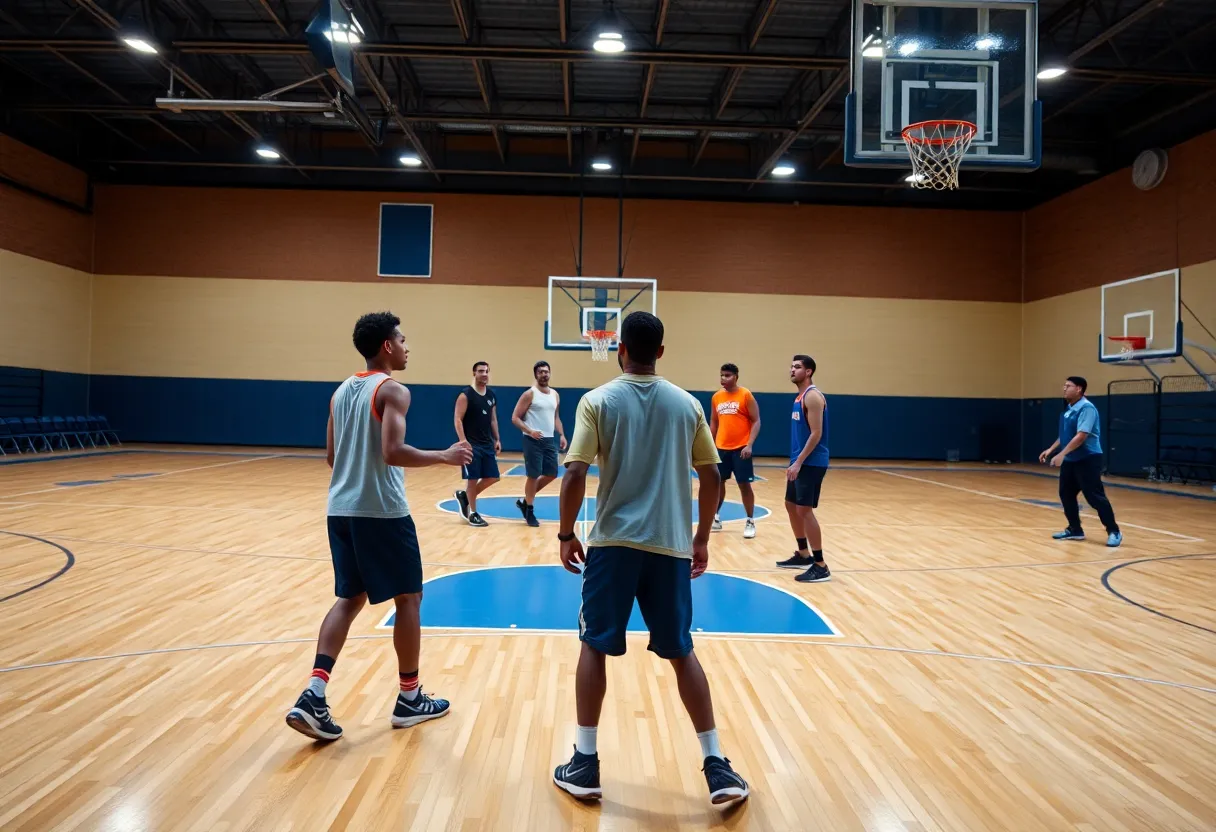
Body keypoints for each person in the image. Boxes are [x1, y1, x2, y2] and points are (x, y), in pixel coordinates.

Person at [552, 311, 749, 808]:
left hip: (613, 545)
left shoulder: (597, 401)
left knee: (594, 645)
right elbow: (712, 477)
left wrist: (565, 533)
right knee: (682, 652)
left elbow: (574, 472)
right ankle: (716, 764)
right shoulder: (688, 404)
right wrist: (700, 537)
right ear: (661, 351)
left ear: (619, 348)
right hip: (669, 547)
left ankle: (585, 762)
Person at [286, 311, 472, 742]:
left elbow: (332, 457)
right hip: (381, 511)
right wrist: (443, 456)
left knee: (349, 598)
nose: (407, 347)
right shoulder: (393, 390)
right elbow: (392, 451)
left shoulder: (340, 392)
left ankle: (314, 693)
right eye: (402, 340)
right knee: (409, 597)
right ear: (387, 346)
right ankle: (410, 698)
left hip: (340, 509)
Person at [1039, 376, 1122, 547]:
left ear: (1079, 389)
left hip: (1087, 458)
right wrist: (1051, 449)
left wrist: (1062, 454)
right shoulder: (1069, 409)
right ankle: (1075, 529)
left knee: (1094, 497)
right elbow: (1065, 435)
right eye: (1064, 385)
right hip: (1071, 459)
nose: (1064, 388)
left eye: (1068, 386)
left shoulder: (1087, 408)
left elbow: (1081, 436)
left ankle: (1114, 531)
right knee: (1066, 494)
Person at [776, 355, 832, 583]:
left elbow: (816, 433)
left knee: (804, 510)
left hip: (811, 462)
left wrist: (799, 462)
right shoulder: (799, 397)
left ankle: (820, 565)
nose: (792, 370)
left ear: (808, 372)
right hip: (799, 461)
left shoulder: (813, 397)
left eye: (797, 367)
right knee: (790, 505)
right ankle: (803, 554)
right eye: (791, 366)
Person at [511, 361, 567, 527]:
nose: (544, 374)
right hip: (532, 440)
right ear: (536, 374)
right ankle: (529, 509)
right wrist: (530, 431)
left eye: (546, 371)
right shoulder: (529, 394)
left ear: (550, 373)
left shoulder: (555, 395)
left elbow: (556, 417)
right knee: (533, 475)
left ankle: (525, 501)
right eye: (541, 372)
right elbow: (515, 418)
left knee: (552, 473)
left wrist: (562, 434)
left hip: (549, 440)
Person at [709, 362, 761, 538]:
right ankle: (716, 517)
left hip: (741, 448)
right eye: (722, 375)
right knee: (718, 483)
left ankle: (750, 521)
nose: (723, 378)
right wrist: (710, 443)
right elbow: (714, 421)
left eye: (727, 375)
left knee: (744, 485)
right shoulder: (716, 397)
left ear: (736, 377)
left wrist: (749, 444)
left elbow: (756, 420)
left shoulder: (745, 395)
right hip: (721, 448)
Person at [453, 361, 501, 528]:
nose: (484, 374)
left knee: (493, 477)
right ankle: (473, 513)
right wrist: (463, 441)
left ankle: (465, 497)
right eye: (481, 371)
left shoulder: (491, 395)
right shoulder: (466, 395)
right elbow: (457, 419)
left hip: (487, 443)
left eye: (486, 371)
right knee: (472, 480)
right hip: (471, 444)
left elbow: (493, 419)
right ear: (474, 373)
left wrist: (497, 439)